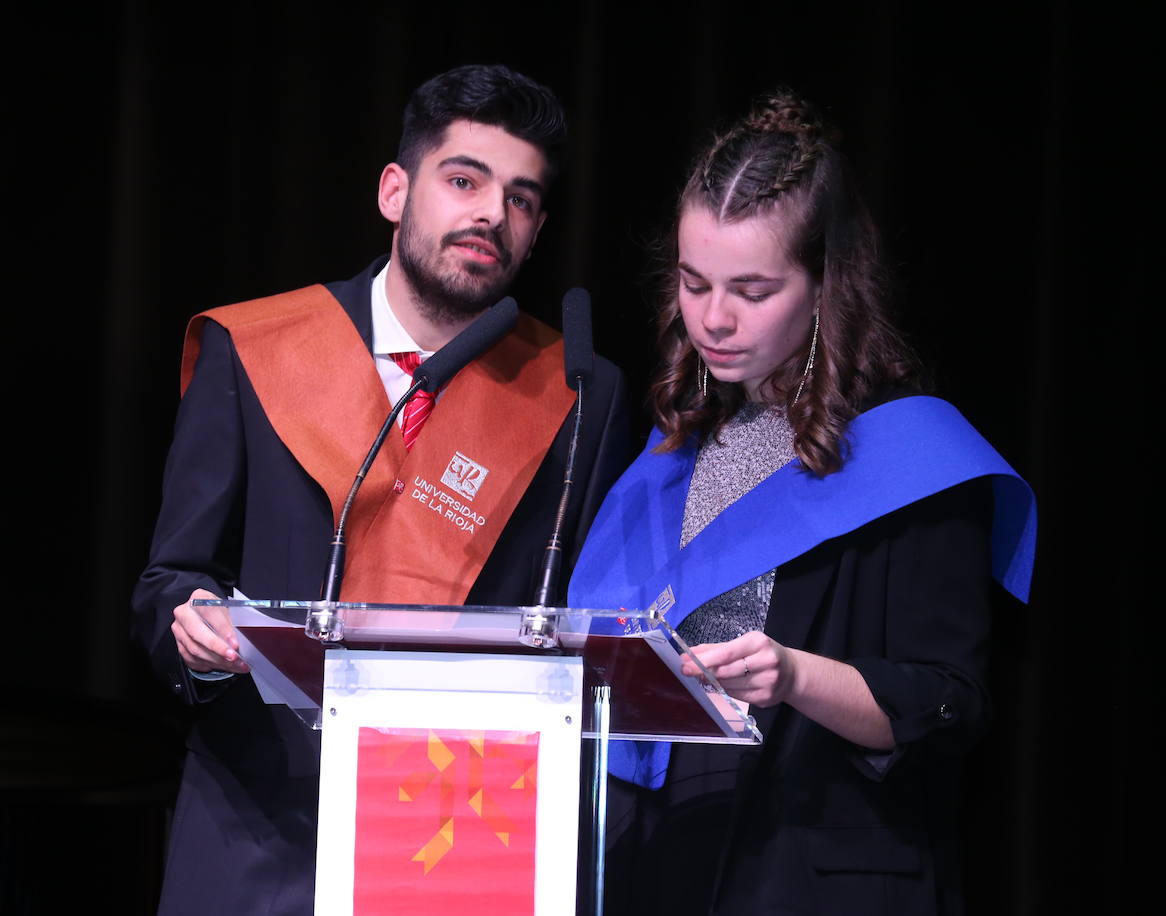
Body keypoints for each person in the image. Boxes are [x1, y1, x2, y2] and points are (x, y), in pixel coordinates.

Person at [132, 64, 630, 915]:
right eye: (463, 179)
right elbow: (169, 580)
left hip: (462, 839)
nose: (488, 214)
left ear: (537, 229)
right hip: (259, 832)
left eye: (520, 198)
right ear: (396, 190)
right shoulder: (257, 350)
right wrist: (194, 626)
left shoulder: (576, 395)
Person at [568, 93, 1036, 914]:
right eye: (693, 281)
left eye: (753, 289)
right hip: (659, 865)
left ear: (826, 284)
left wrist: (796, 675)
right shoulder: (675, 444)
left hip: (813, 873)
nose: (714, 319)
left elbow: (949, 705)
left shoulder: (909, 456)